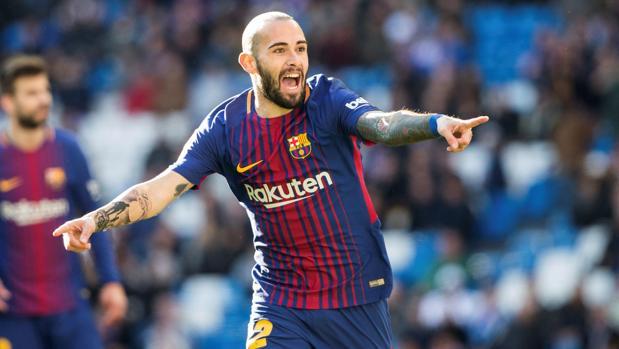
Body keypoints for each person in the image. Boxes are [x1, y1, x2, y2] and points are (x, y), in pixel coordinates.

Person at [53, 11, 488, 348]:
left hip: (354, 295)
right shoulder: (224, 128)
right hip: (281, 301)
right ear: (249, 62)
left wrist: (435, 124)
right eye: (280, 50)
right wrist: (96, 220)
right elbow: (165, 187)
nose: (295, 58)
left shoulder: (326, 98)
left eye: (300, 47)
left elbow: (380, 124)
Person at [0, 55, 127, 349]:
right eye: (31, 93)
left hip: (70, 308)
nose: (43, 99)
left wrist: (110, 281)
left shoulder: (68, 149)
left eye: (45, 90)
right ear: (8, 101)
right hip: (13, 315)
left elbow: (99, 217)